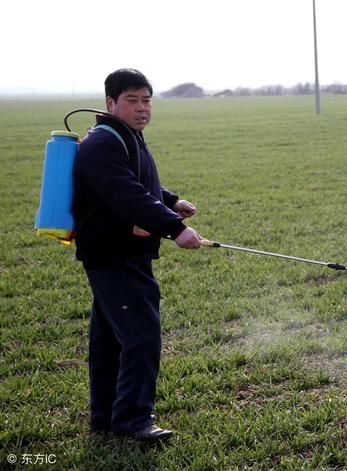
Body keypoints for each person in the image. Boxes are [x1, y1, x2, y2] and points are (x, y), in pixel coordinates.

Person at [72, 68, 206, 441]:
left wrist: (170, 200)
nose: (142, 108)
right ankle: (133, 421)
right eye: (132, 100)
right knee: (141, 336)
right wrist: (175, 228)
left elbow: (139, 183)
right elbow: (124, 193)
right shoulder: (103, 143)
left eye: (146, 100)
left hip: (117, 254)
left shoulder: (124, 137)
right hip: (114, 256)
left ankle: (106, 418)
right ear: (110, 103)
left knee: (111, 340)